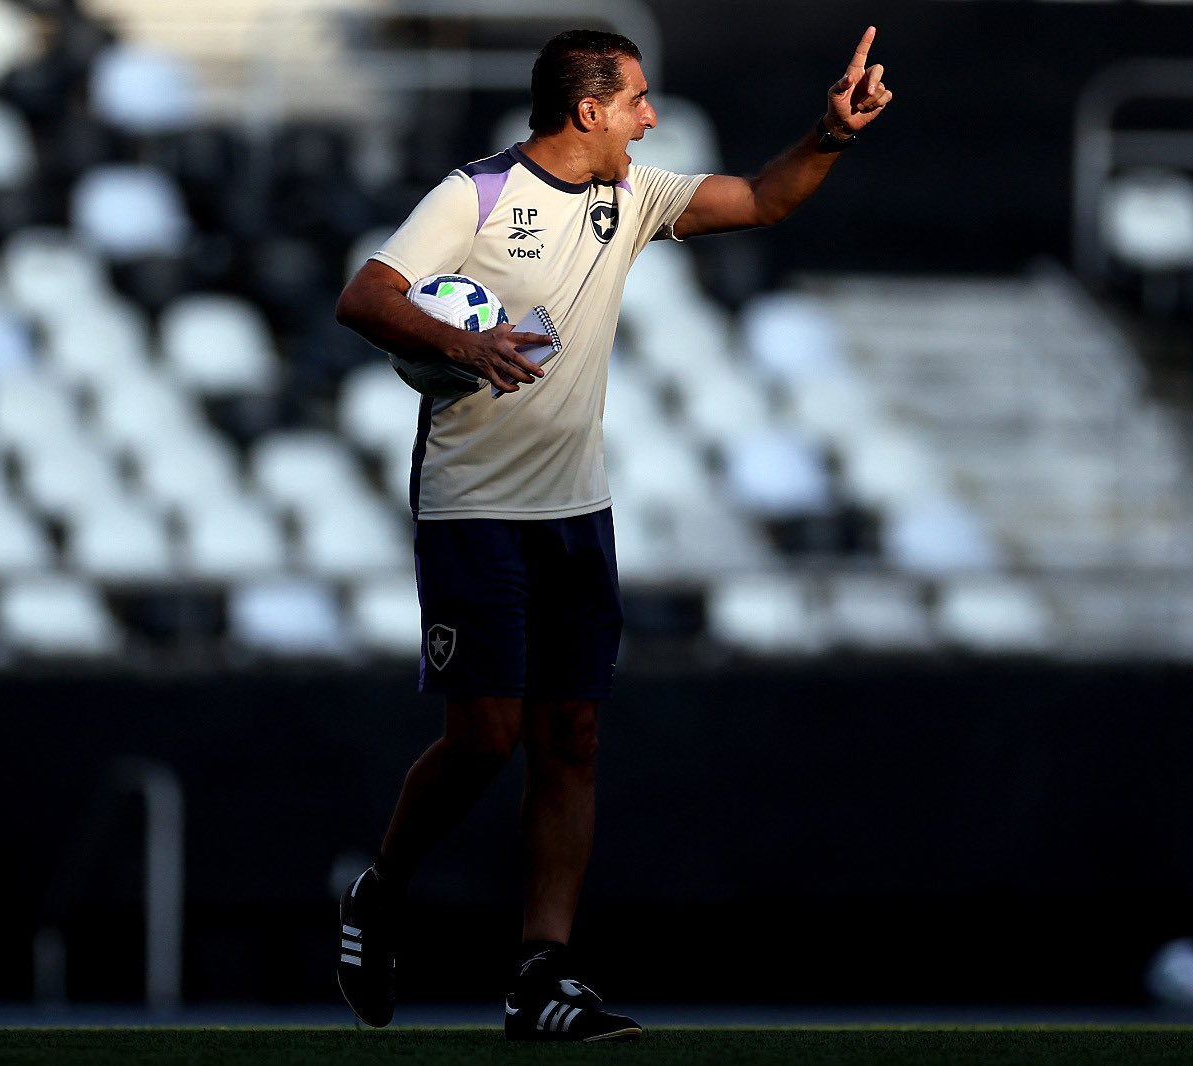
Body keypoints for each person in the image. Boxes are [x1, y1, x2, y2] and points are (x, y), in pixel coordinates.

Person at [333, 26, 892, 1042]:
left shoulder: (628, 194)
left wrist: (830, 134)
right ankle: (380, 890)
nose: (650, 115)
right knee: (485, 738)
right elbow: (363, 294)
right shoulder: (476, 195)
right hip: (474, 510)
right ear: (586, 110)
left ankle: (542, 976)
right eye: (636, 99)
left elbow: (764, 199)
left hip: (577, 512)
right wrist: (466, 342)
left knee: (572, 740)